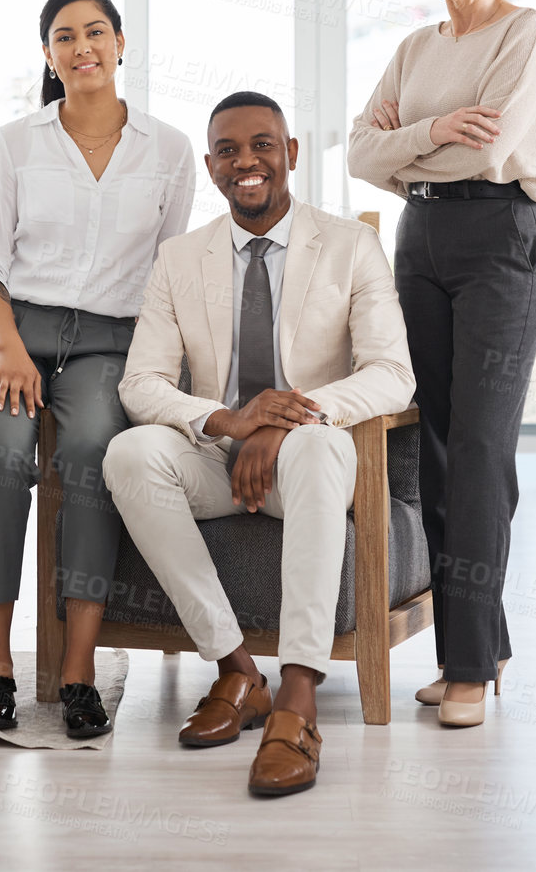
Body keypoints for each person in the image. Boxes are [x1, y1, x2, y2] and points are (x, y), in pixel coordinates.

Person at [103, 91, 415, 796]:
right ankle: (238, 671)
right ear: (212, 167)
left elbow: (392, 374)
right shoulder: (181, 258)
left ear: (291, 153)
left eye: (261, 145)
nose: (246, 162)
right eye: (227, 150)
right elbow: (140, 383)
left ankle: (298, 694)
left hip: (316, 462)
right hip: (221, 461)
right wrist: (230, 420)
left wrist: (282, 419)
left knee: (309, 447)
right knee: (129, 453)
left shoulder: (349, 245)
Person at [0, 0, 194, 738]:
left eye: (95, 32)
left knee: (92, 452)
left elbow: (168, 273)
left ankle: (79, 671)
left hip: (107, 341)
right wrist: (11, 349)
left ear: (122, 44)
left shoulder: (169, 149)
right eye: (64, 36)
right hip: (11, 331)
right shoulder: (17, 142)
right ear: (48, 55)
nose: (81, 46)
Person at [346, 0, 536, 729]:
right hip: (419, 236)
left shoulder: (523, 30)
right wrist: (435, 133)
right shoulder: (410, 48)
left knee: (477, 449)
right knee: (430, 445)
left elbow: (494, 147)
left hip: (500, 237)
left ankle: (466, 665)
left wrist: (411, 140)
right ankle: (477, 645)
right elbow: (361, 152)